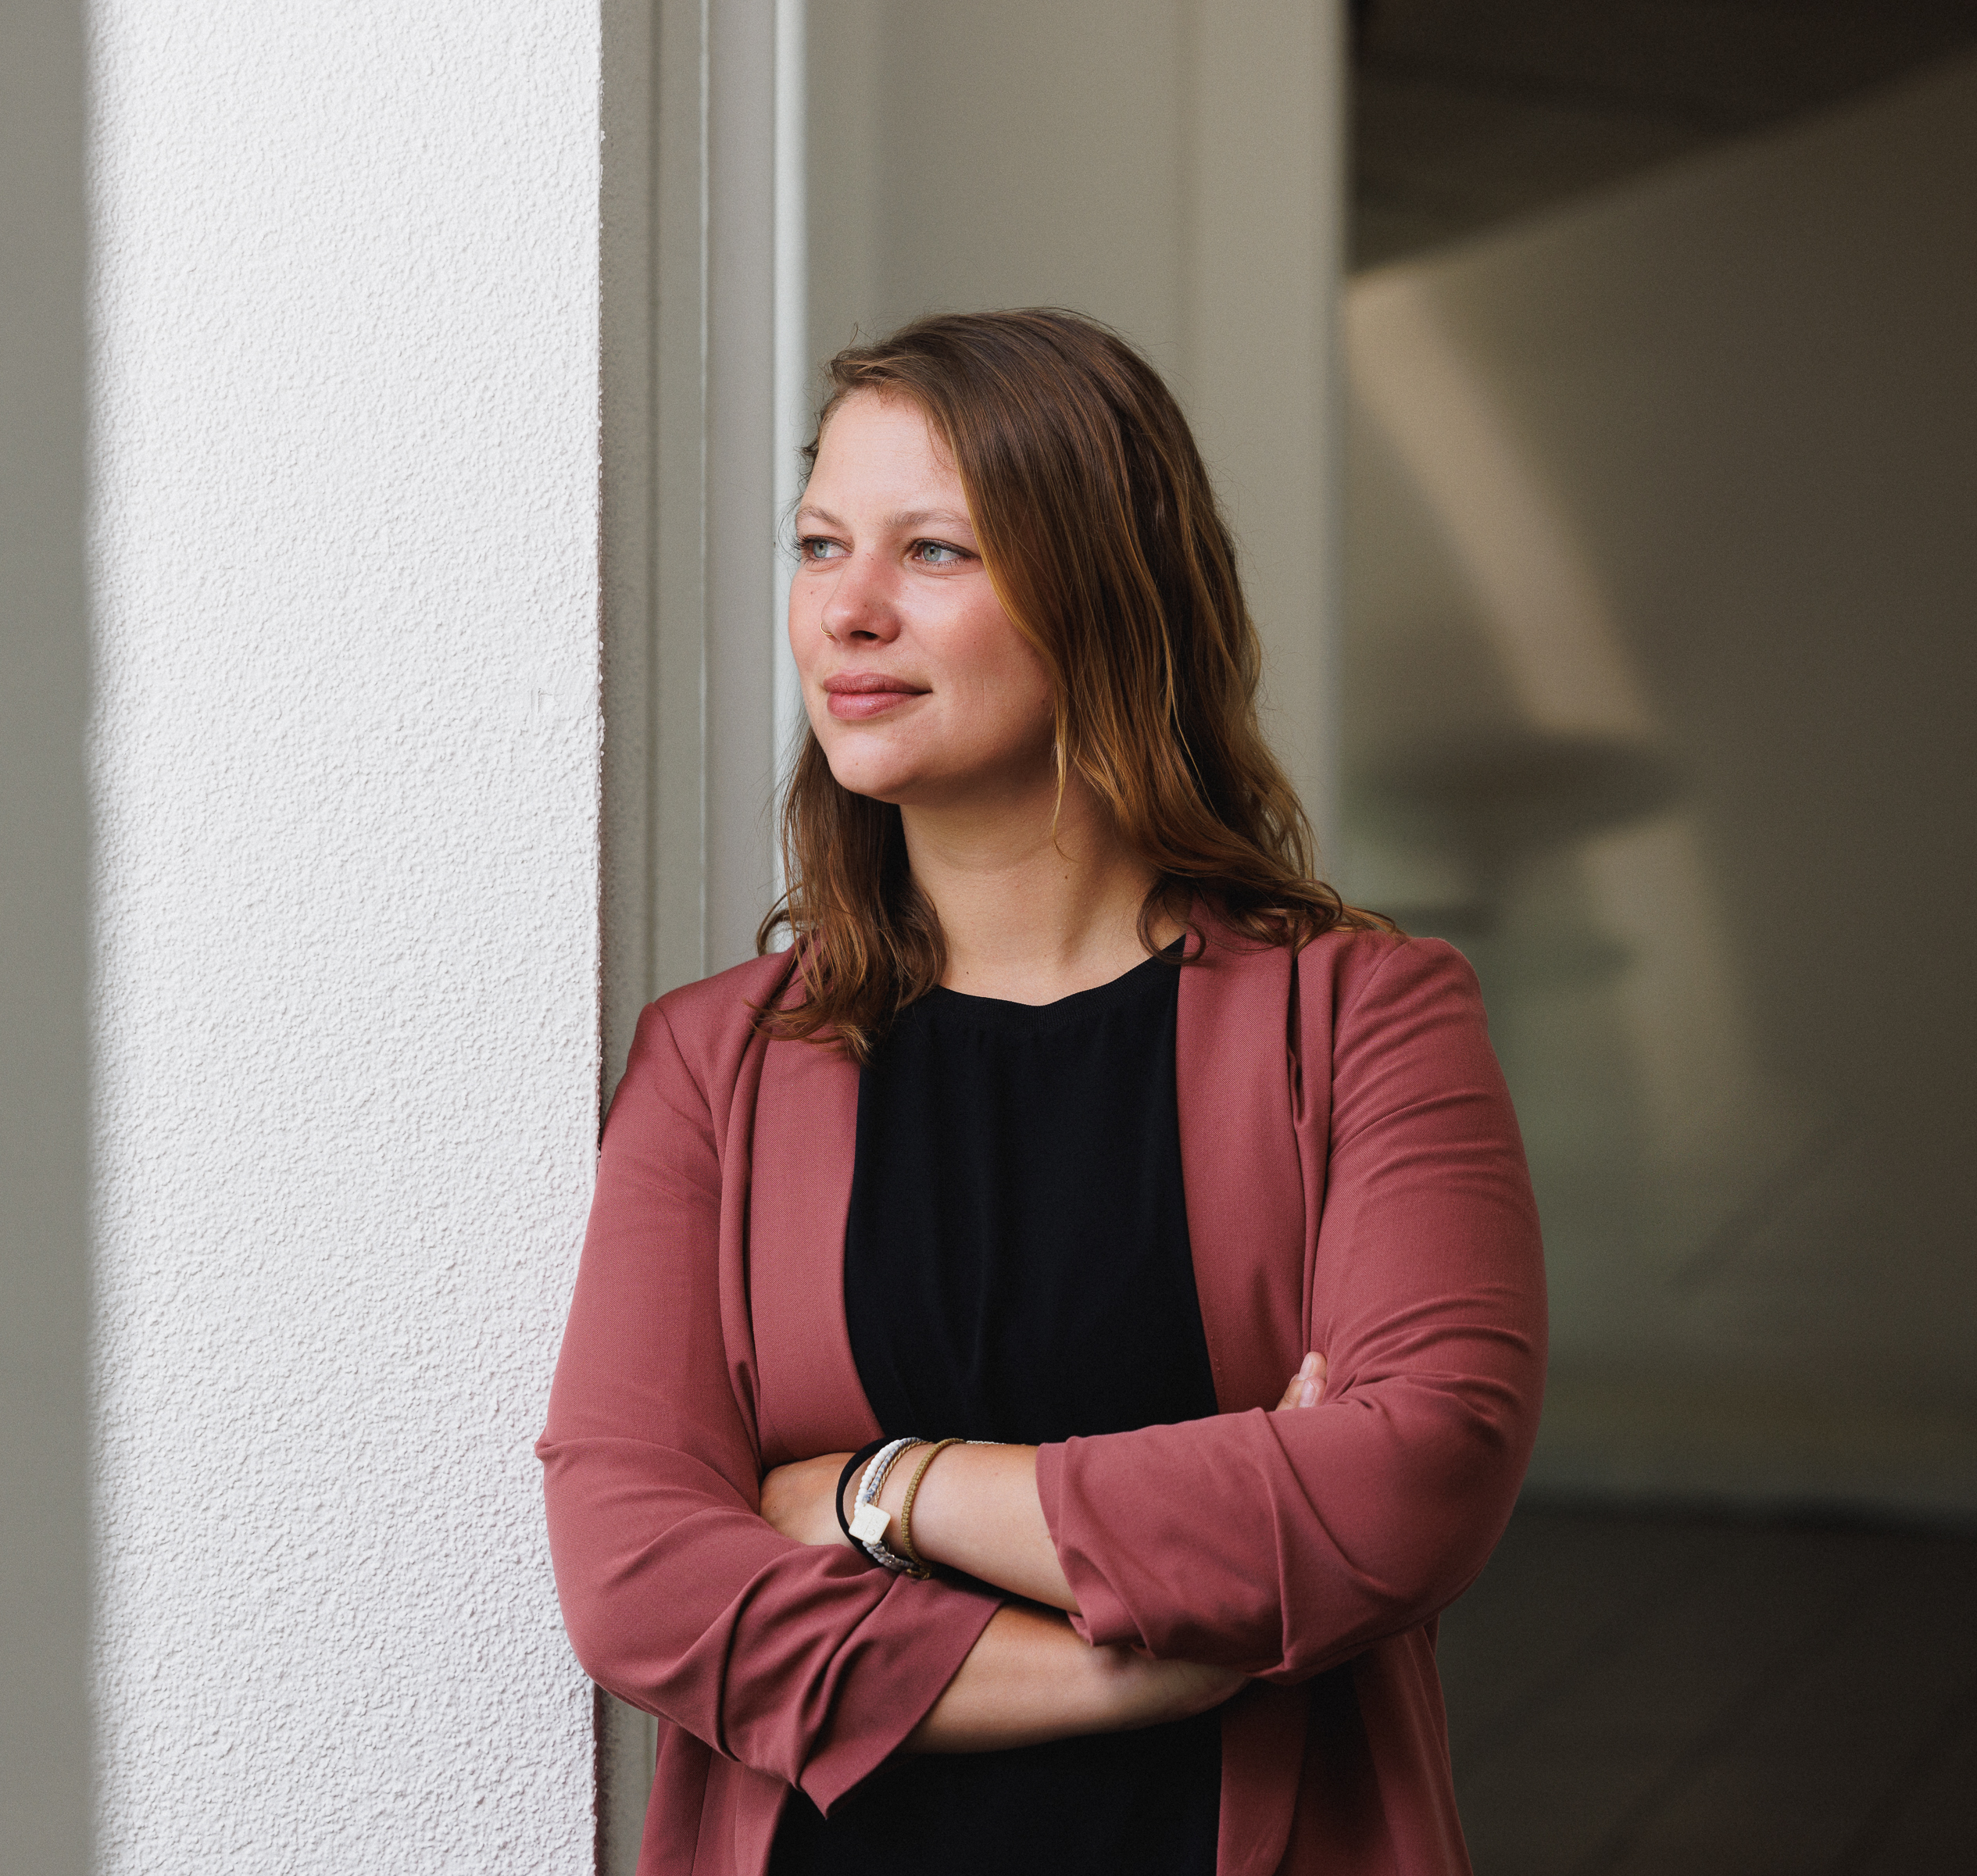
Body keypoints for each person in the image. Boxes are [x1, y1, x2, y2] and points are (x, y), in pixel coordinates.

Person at [538, 309, 1546, 1876]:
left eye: (933, 551)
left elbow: (1409, 1483)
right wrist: (1132, 1657)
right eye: (820, 545)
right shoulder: (711, 1065)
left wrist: (891, 1490)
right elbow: (639, 1578)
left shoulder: (1370, 1021)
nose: (846, 611)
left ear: (1106, 597)